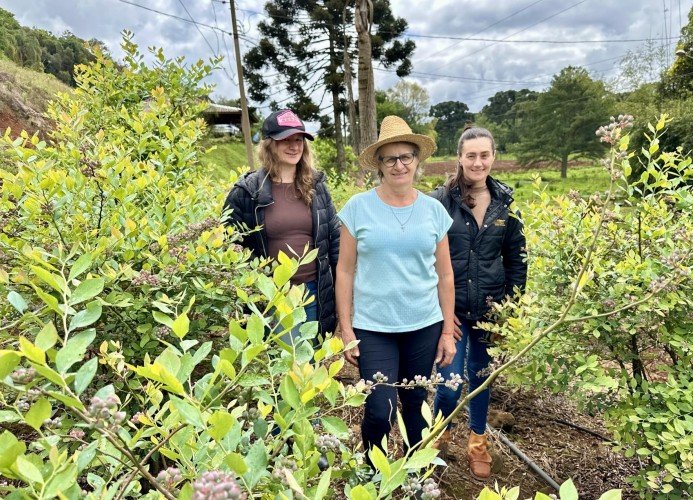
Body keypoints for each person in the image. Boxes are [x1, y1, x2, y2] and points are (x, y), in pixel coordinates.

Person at [335, 116, 457, 457]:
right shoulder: (357, 207)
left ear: (417, 161)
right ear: (380, 164)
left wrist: (447, 330)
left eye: (406, 157)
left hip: (423, 324)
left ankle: (415, 475)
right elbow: (344, 271)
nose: (399, 164)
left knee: (416, 403)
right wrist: (346, 328)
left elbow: (445, 275)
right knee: (379, 408)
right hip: (374, 327)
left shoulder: (434, 211)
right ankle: (374, 477)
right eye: (390, 158)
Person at [430, 126, 527, 479]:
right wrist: (439, 312)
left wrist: (510, 312)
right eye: (470, 155)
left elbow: (517, 260)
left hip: (489, 309)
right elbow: (424, 256)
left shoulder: (505, 204)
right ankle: (437, 437)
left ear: (493, 157)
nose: (477, 162)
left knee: (481, 376)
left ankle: (477, 442)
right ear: (459, 158)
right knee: (450, 382)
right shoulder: (441, 200)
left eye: (484, 155)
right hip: (450, 310)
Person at [223, 109, 339, 343]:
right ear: (269, 145)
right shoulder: (246, 193)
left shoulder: (317, 187)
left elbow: (333, 239)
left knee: (308, 362)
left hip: (313, 292)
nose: (294, 146)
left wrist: (339, 291)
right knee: (286, 364)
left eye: (298, 140)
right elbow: (229, 247)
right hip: (272, 293)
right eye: (285, 140)